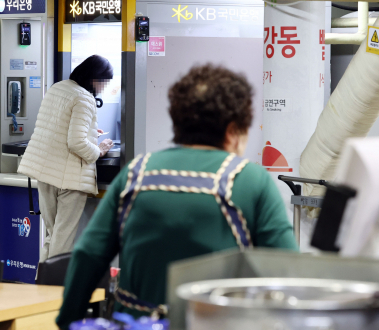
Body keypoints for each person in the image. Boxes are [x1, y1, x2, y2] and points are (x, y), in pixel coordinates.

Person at [55, 64, 298, 329]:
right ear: (233, 130)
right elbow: (286, 271)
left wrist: (68, 319)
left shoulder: (135, 173)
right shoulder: (250, 180)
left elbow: (88, 255)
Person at [18, 55, 115, 263]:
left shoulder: (59, 88)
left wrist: (90, 132)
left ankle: (42, 286)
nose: (104, 87)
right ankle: (57, 290)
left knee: (52, 236)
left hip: (45, 173)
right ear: (94, 78)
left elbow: (58, 128)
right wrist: (99, 150)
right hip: (69, 179)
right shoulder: (85, 98)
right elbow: (76, 143)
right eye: (104, 82)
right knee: (63, 242)